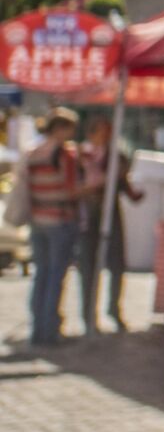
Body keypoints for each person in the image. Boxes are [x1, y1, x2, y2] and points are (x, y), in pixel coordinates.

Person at [19, 109, 87, 346]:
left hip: (38, 218)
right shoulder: (64, 153)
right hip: (59, 218)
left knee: (41, 275)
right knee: (55, 275)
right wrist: (95, 184)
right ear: (60, 128)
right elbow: (71, 189)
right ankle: (49, 331)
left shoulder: (33, 152)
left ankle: (37, 329)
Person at [76, 116, 143, 336]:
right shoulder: (80, 157)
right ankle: (88, 314)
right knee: (88, 266)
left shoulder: (117, 158)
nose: (106, 136)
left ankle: (113, 308)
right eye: (102, 131)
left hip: (111, 215)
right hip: (89, 217)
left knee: (117, 264)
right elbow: (78, 188)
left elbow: (129, 190)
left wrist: (135, 189)